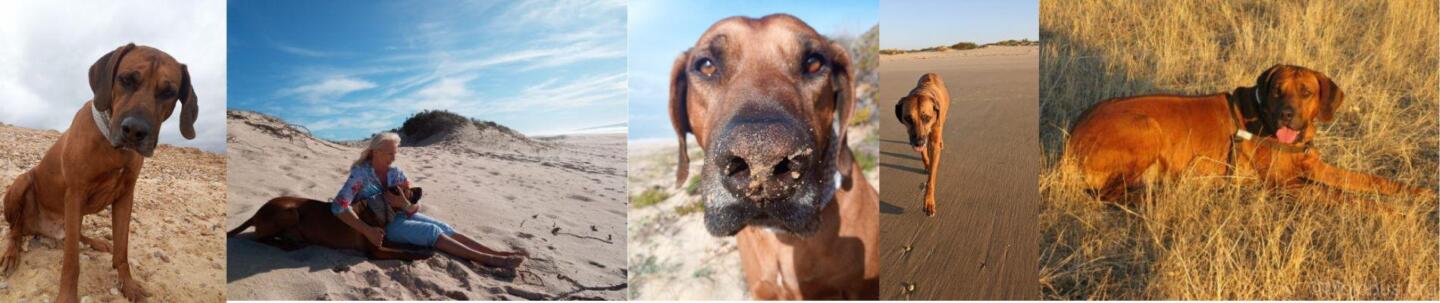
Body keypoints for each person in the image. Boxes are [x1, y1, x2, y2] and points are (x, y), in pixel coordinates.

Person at [333, 132, 525, 268]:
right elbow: (338, 206)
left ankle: (496, 253)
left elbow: (414, 205)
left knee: (445, 227)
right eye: (389, 153)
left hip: (402, 216)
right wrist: (367, 231)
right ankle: (488, 260)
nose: (394, 157)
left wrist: (404, 204)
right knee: (432, 231)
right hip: (382, 225)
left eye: (395, 152)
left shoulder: (396, 173)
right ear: (375, 151)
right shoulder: (360, 174)